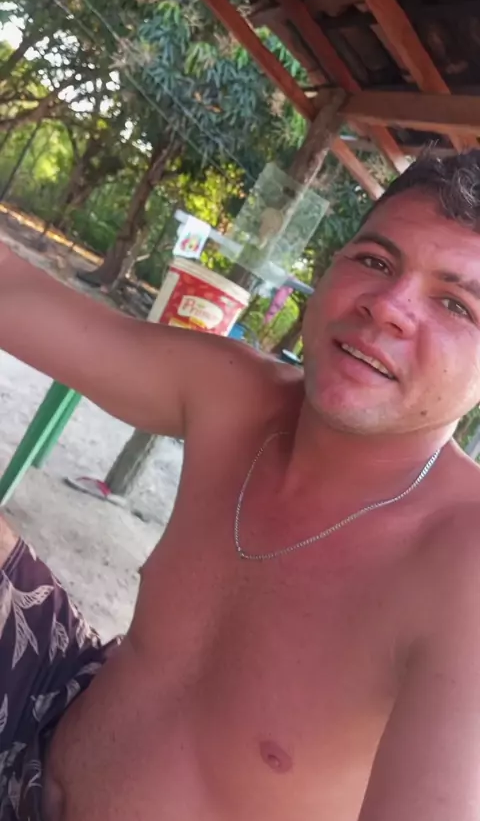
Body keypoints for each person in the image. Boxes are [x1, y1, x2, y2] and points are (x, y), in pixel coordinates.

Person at [1, 151, 480, 821]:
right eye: (375, 261)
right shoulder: (236, 395)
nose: (388, 307)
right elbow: (14, 295)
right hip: (53, 712)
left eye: (456, 304)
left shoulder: (462, 562)